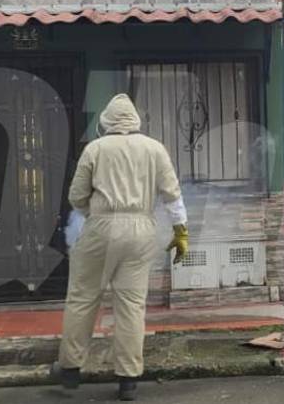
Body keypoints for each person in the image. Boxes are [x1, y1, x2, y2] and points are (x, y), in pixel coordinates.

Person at [56, 94, 190, 401]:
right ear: (134, 121)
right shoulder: (155, 149)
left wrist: (97, 211)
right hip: (142, 229)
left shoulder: (95, 148)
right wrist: (181, 231)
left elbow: (76, 197)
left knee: (83, 297)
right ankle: (128, 379)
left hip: (101, 227)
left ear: (106, 122)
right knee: (131, 303)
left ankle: (70, 370)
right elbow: (172, 195)